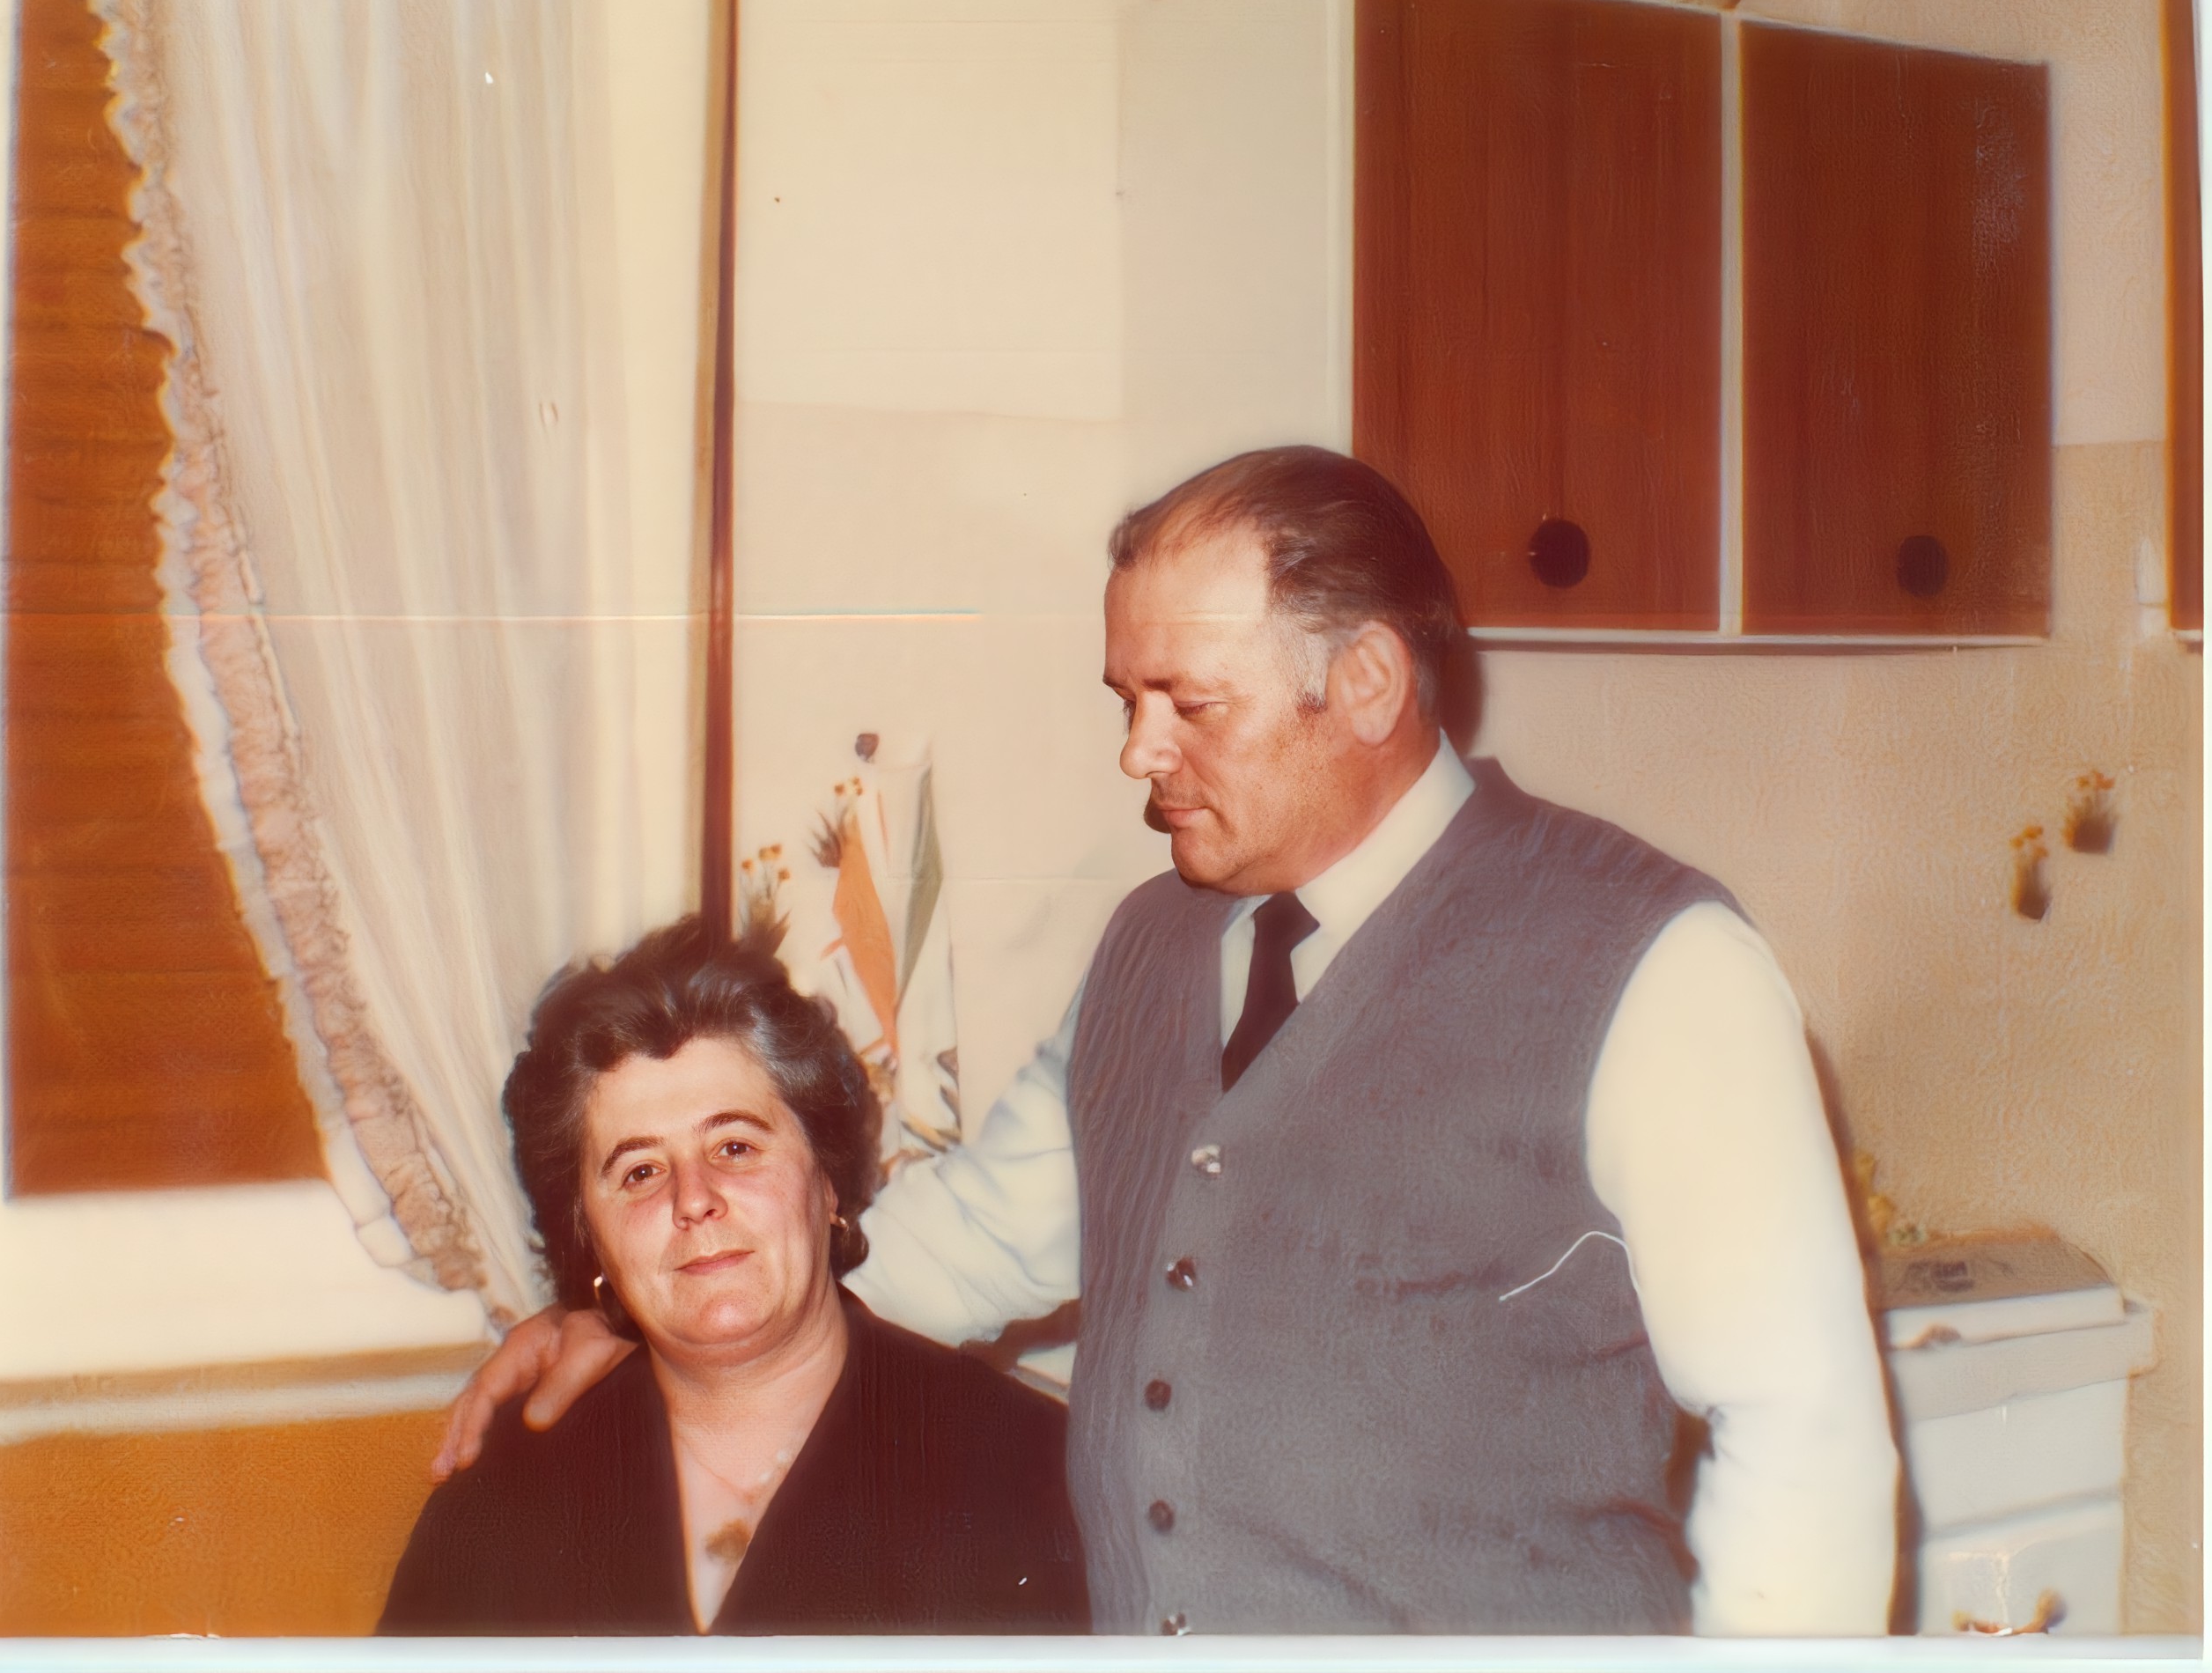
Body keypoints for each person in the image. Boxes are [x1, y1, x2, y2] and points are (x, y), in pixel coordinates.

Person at [431, 446, 1899, 1635]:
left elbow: (1802, 1437)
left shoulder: (1651, 961)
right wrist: (646, 1317)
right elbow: (974, 1241)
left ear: (1368, 684)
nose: (1137, 751)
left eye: (1188, 704)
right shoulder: (1149, 944)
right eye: (1126, 700)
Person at [382, 918, 1088, 1634]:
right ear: (589, 1236)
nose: (693, 1199)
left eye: (736, 1147)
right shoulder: (506, 1493)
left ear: (827, 1181)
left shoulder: (1024, 1470)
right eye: (641, 1171)